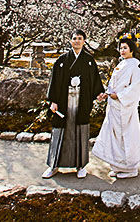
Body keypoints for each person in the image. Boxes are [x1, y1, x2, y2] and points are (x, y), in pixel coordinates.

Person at [42, 29, 104, 179]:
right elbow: (54, 81)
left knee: (80, 131)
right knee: (59, 131)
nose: (77, 41)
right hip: (63, 100)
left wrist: (99, 93)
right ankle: (54, 165)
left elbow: (95, 80)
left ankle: (80, 166)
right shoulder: (62, 60)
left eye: (80, 38)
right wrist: (53, 100)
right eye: (74, 38)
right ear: (70, 41)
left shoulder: (89, 61)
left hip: (81, 101)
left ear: (84, 41)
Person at [92, 33, 140, 178]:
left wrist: (120, 96)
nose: (122, 51)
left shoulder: (135, 67)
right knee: (114, 136)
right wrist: (107, 94)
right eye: (121, 48)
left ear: (132, 50)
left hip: (125, 108)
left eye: (125, 48)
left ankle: (130, 168)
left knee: (126, 136)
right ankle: (117, 165)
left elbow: (137, 85)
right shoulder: (121, 65)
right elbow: (113, 86)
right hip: (114, 107)